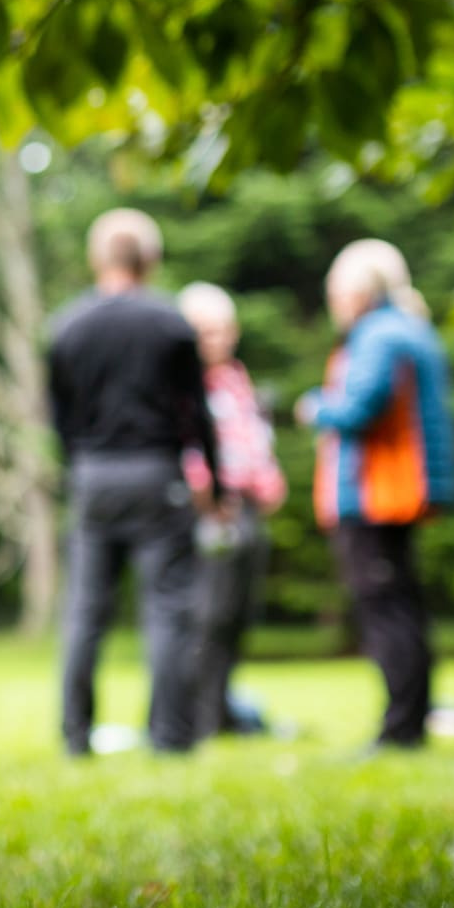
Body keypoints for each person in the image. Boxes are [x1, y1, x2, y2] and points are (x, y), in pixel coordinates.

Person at [48, 209, 222, 755]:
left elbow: (58, 418)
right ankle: (171, 738)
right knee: (168, 609)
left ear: (96, 258)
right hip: (157, 473)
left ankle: (75, 735)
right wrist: (215, 482)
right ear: (150, 259)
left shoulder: (66, 326)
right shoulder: (170, 323)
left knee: (84, 611)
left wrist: (79, 466)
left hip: (93, 475)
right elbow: (198, 413)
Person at [297, 241, 454, 749]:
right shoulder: (409, 328)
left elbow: (360, 406)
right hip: (399, 492)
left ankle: (401, 728)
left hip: (375, 494)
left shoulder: (379, 334)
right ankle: (413, 719)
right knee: (403, 606)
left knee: (385, 610)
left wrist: (316, 407)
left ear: (359, 292)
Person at [178, 283, 287, 739]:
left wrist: (270, 479)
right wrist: (206, 493)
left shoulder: (237, 379)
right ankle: (196, 718)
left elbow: (255, 440)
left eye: (224, 329)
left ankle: (223, 709)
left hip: (248, 510)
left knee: (238, 615)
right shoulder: (182, 384)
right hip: (209, 513)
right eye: (207, 331)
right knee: (208, 617)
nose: (218, 339)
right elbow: (185, 447)